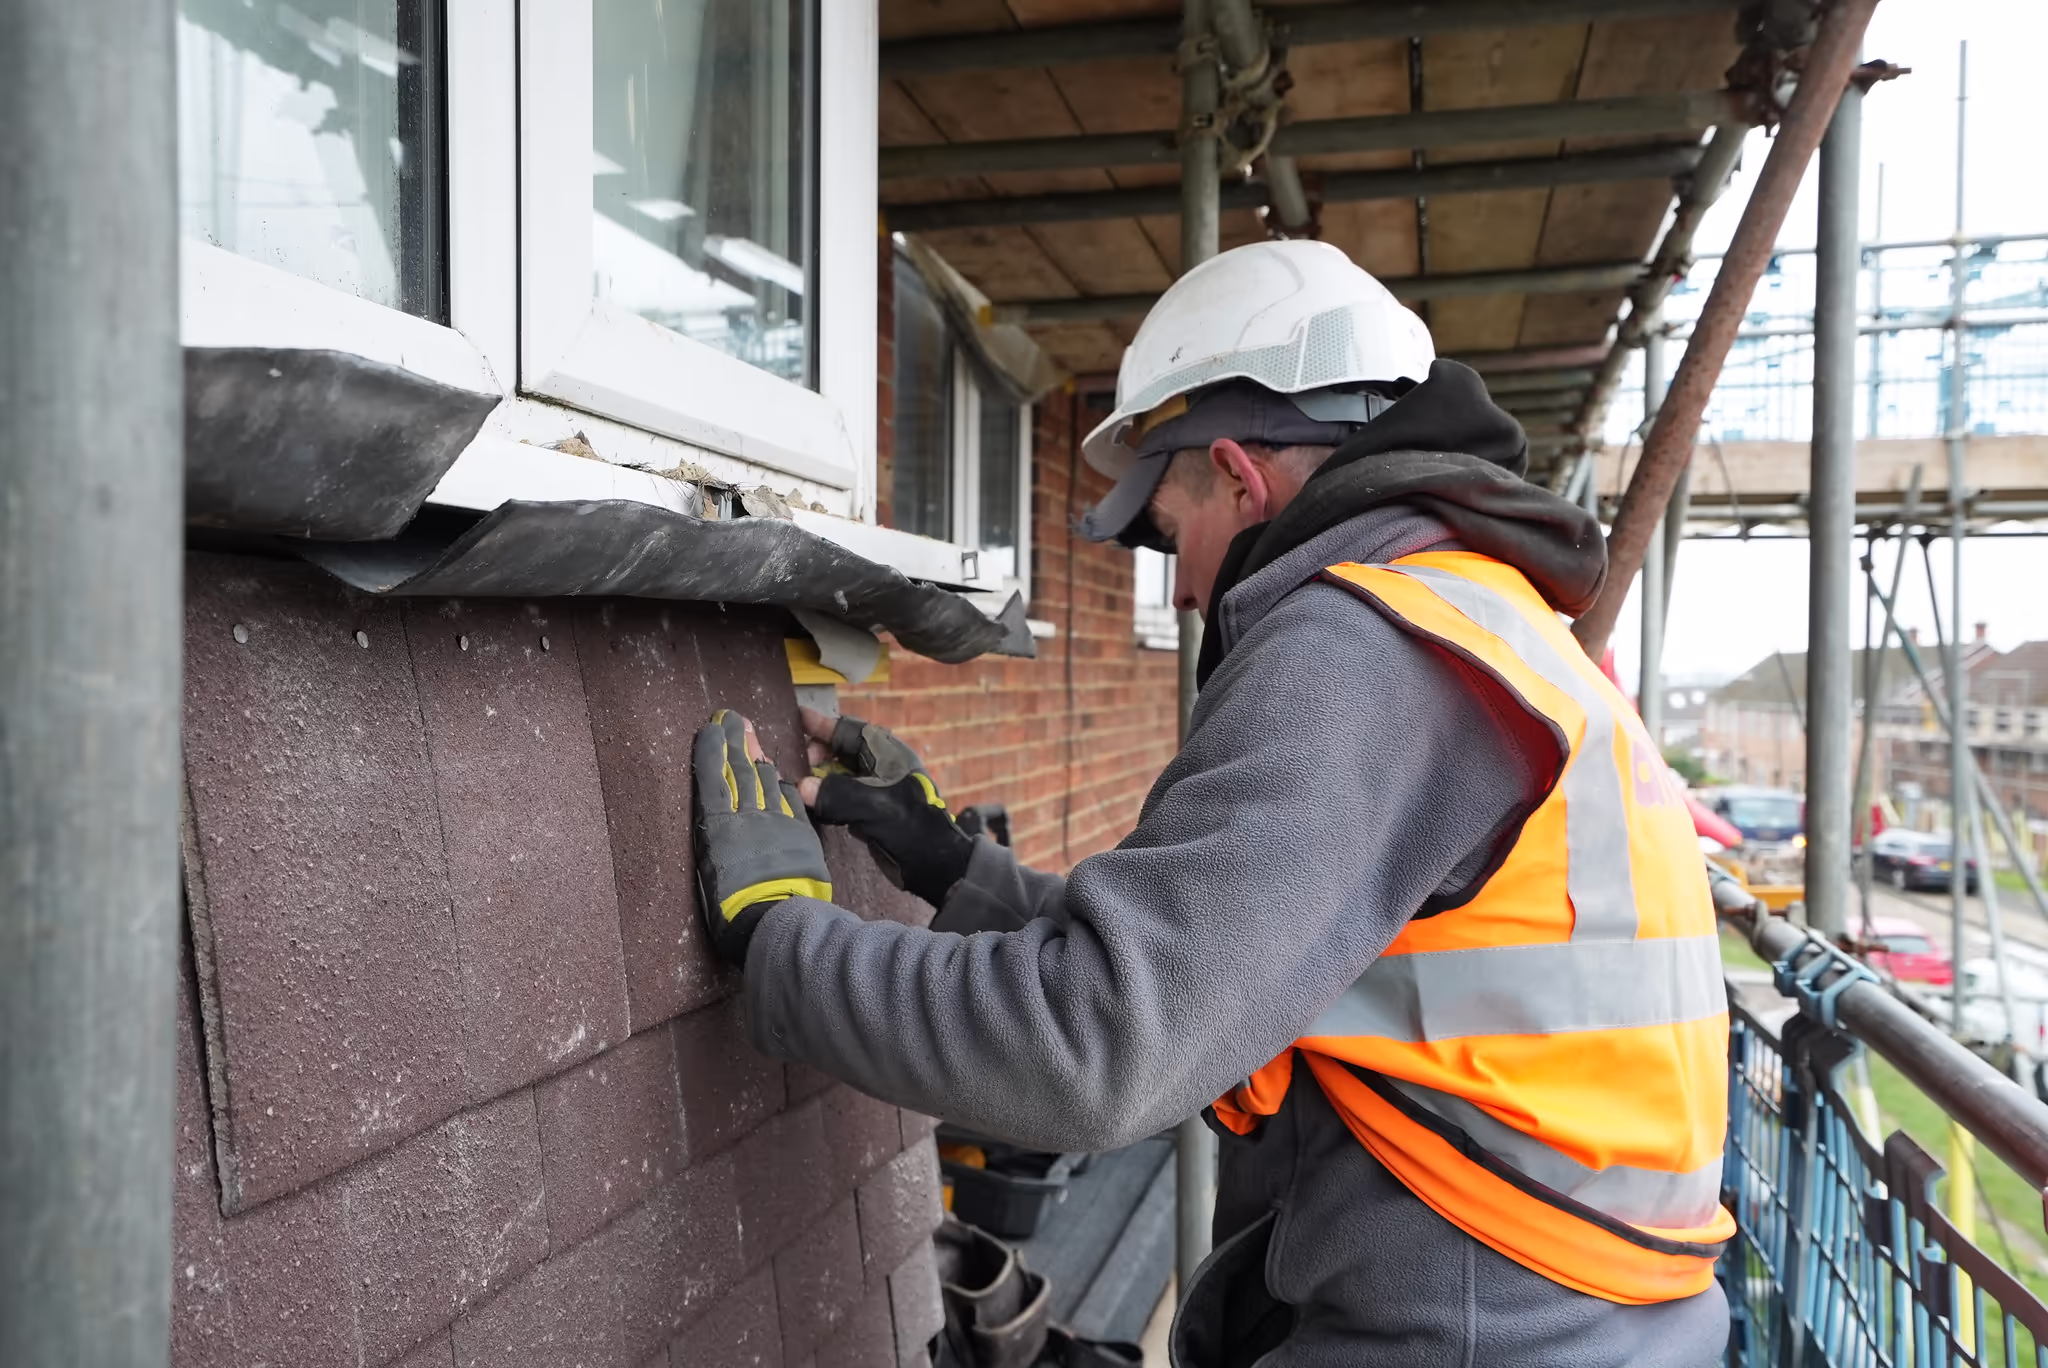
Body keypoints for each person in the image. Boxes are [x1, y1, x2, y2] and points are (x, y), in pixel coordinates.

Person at [690, 239, 1731, 1367]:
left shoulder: (1364, 649)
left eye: (1168, 533)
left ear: (1239, 475)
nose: (1182, 589)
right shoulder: (1482, 619)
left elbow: (1098, 1042)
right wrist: (953, 866)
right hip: (1567, 1307)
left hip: (1482, 1325)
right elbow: (1247, 957)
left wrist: (780, 937)